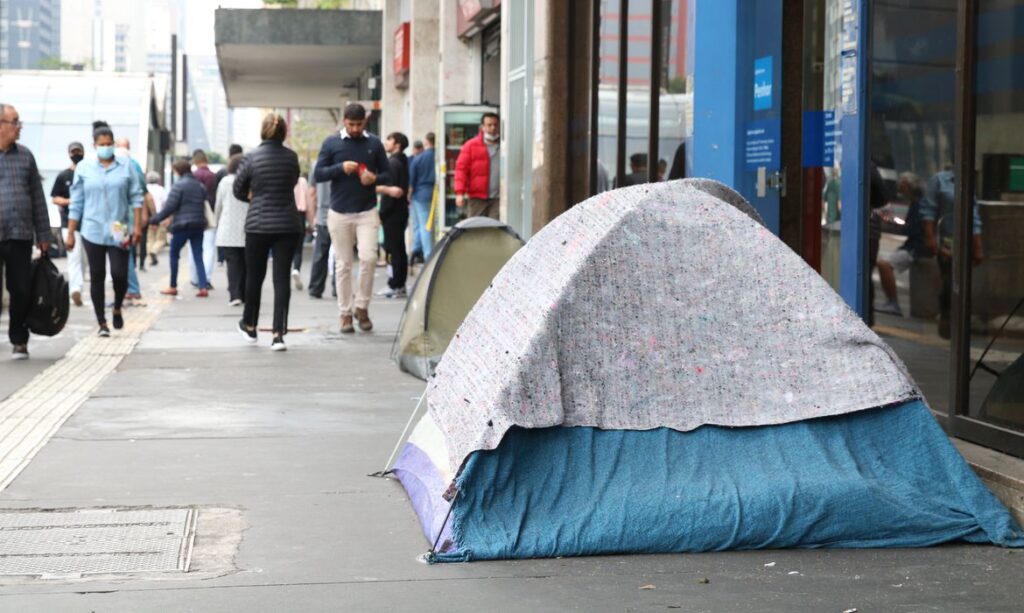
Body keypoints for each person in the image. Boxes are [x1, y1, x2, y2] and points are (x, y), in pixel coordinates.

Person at [314, 103, 391, 334]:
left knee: (368, 258)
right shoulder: (331, 143)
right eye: (351, 124)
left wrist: (374, 178)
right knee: (343, 265)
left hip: (366, 211)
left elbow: (388, 173)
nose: (356, 129)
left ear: (365, 121)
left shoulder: (374, 143)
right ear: (344, 121)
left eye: (359, 124)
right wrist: (340, 168)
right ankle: (345, 313)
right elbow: (318, 173)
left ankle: (362, 307)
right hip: (339, 212)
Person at [66, 120, 143, 337]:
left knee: (120, 274)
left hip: (119, 228)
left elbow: (136, 197)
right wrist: (71, 232)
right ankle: (102, 322)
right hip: (92, 228)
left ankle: (117, 306)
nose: (106, 147)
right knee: (97, 274)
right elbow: (77, 202)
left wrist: (137, 226)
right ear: (94, 145)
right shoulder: (84, 168)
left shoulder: (125, 165)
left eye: (110, 143)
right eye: (102, 144)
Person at [234, 113, 303, 351]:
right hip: (287, 223)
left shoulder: (251, 157)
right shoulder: (291, 157)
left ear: (262, 132)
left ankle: (250, 326)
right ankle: (278, 335)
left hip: (258, 224)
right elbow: (292, 182)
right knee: (281, 278)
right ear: (284, 132)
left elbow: (237, 189)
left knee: (255, 276)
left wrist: (253, 197)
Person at [0, 102, 52, 360]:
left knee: (21, 289)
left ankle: (19, 339)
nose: (19, 127)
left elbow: (37, 197)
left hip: (19, 234)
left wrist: (44, 235)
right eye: (15, 121)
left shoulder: (25, 156)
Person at [921, 168, 984, 339]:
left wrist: (977, 246)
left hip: (964, 240)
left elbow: (974, 216)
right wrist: (930, 237)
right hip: (946, 239)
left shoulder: (969, 183)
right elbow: (929, 211)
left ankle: (959, 319)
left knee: (963, 282)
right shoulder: (940, 181)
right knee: (948, 279)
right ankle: (946, 314)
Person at [147, 159, 209, 298]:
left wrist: (154, 220)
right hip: (198, 224)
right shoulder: (199, 185)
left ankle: (173, 285)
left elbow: (169, 207)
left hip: (182, 225)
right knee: (198, 255)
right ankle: (203, 286)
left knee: (174, 254)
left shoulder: (178, 186)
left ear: (178, 171)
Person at [876, 172, 929, 317]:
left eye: (902, 185)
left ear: (909, 187)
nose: (899, 187)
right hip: (912, 245)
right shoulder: (916, 203)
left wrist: (893, 225)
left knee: (884, 264)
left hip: (916, 248)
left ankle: (893, 303)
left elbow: (913, 229)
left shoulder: (920, 205)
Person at [51, 141, 87, 307]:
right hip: (69, 224)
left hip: (88, 223)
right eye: (73, 152)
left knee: (84, 259)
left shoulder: (88, 172)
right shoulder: (63, 176)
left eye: (78, 151)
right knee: (73, 256)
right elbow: (54, 197)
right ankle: (75, 289)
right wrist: (68, 201)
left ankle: (79, 287)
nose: (76, 154)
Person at [377, 132, 410, 298]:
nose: (386, 142)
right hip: (401, 211)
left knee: (393, 249)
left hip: (393, 213)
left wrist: (382, 213)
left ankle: (395, 284)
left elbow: (392, 191)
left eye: (389, 140)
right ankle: (399, 283)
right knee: (399, 248)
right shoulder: (403, 161)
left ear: (397, 144)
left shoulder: (393, 163)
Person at [114, 137, 149, 299]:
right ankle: (128, 287)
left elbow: (139, 194)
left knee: (122, 252)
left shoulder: (127, 166)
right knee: (124, 252)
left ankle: (132, 288)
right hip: (121, 219)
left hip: (121, 220)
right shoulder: (134, 165)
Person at [214, 154, 248, 306]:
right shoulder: (250, 181)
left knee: (232, 263)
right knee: (247, 263)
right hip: (248, 227)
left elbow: (218, 206)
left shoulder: (224, 182)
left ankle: (235, 294)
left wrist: (215, 223)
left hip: (228, 227)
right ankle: (245, 293)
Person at [454, 112, 500, 219]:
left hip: (498, 198)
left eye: (495, 125)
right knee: (476, 228)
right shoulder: (470, 146)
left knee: (495, 228)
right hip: (477, 197)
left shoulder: (503, 146)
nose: (493, 128)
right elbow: (461, 169)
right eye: (489, 125)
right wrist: (459, 193)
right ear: (482, 127)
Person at [306, 159, 335, 299]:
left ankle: (315, 288)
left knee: (320, 254)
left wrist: (312, 217)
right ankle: (338, 289)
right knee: (341, 254)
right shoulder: (344, 162)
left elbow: (312, 192)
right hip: (342, 213)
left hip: (323, 215)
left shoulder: (317, 164)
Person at [189, 149, 216, 290]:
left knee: (193, 249)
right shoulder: (213, 176)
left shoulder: (192, 176)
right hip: (210, 215)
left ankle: (195, 277)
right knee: (209, 248)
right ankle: (206, 277)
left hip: (193, 216)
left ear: (194, 160)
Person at [408, 131, 436, 261]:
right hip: (435, 193)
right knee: (427, 224)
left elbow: (411, 182)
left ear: (426, 142)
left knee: (421, 225)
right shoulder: (438, 156)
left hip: (420, 195)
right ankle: (417, 249)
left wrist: (409, 195)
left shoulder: (418, 158)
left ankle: (426, 254)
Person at [290, 172, 312, 291]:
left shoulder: (284, 178)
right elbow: (309, 203)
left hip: (286, 214)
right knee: (298, 248)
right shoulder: (303, 181)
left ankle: (285, 272)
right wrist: (311, 222)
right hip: (300, 216)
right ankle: (296, 269)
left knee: (286, 248)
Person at [145, 171, 168, 266]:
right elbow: (166, 204)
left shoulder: (145, 189)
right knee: (161, 239)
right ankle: (154, 251)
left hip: (149, 217)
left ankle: (151, 258)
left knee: (150, 239)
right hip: (161, 216)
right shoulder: (162, 190)